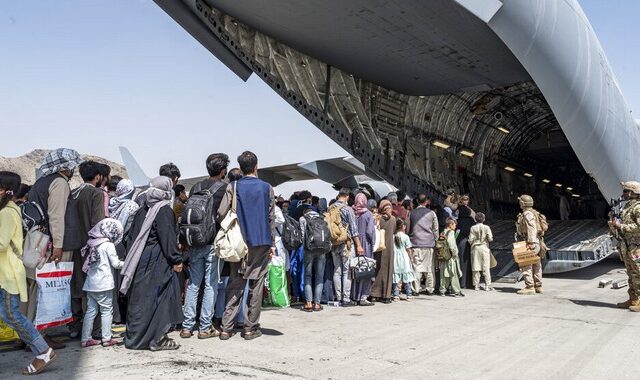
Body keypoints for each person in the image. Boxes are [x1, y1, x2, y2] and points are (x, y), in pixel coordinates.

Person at [0, 171, 57, 375]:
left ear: (5, 191)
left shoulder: (7, 212)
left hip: (7, 275)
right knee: (10, 315)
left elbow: (1, 243)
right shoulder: (10, 209)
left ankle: (43, 351)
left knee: (12, 316)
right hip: (6, 273)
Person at [26, 148, 83, 350]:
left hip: (38, 241)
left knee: (36, 289)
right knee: (47, 290)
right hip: (51, 246)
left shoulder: (41, 181)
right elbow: (56, 216)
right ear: (64, 167)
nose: (73, 170)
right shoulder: (59, 183)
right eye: (71, 166)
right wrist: (58, 246)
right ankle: (39, 337)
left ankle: (29, 335)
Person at [217, 151, 275, 341]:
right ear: (256, 166)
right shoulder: (267, 188)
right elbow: (271, 218)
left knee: (235, 284)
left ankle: (226, 327)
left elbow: (221, 212)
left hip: (238, 242)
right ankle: (250, 328)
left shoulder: (233, 186)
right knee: (256, 285)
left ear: (240, 168)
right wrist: (272, 243)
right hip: (261, 240)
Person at [121, 176, 184, 350]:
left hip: (138, 260)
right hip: (157, 260)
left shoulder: (143, 209)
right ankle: (157, 339)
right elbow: (168, 237)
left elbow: (131, 237)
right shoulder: (164, 210)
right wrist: (176, 259)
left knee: (140, 299)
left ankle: (135, 338)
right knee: (160, 299)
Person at [180, 153, 229, 339]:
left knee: (193, 284)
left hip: (194, 241)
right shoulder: (225, 189)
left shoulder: (196, 187)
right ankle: (205, 327)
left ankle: (187, 327)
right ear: (223, 170)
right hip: (212, 242)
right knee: (210, 285)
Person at [63, 160, 106, 338]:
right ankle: (93, 329)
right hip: (89, 247)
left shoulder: (73, 193)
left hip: (72, 245)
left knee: (75, 285)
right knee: (92, 287)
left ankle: (75, 326)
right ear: (98, 177)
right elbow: (98, 223)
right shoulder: (96, 194)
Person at [80, 219, 125, 348]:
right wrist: (128, 264)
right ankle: (107, 338)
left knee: (91, 311)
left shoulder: (92, 243)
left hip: (91, 283)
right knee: (106, 310)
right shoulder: (108, 245)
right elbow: (116, 264)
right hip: (104, 283)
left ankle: (85, 338)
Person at [107, 178, 139, 324]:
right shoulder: (132, 205)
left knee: (112, 281)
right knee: (123, 282)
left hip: (109, 244)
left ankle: (112, 315)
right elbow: (130, 228)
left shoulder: (112, 203)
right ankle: (121, 315)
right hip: (123, 245)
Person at [329, 188, 363, 307]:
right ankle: (346, 298)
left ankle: (338, 298)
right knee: (347, 271)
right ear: (347, 196)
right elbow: (354, 230)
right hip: (346, 244)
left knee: (336, 271)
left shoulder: (331, 208)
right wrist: (358, 245)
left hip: (334, 243)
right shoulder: (348, 209)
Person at [610, 182, 640, 311]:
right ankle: (633, 299)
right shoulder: (628, 206)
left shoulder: (637, 208)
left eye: (626, 191)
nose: (624, 193)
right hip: (627, 246)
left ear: (633, 192)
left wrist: (621, 226)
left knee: (638, 273)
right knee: (631, 273)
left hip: (636, 246)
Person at [299, 207, 329, 311]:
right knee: (319, 276)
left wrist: (304, 248)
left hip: (309, 249)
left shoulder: (303, 219)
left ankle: (308, 303)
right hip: (322, 249)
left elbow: (302, 236)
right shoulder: (322, 218)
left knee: (308, 275)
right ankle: (317, 304)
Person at [408, 194, 438, 295]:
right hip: (428, 243)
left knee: (416, 267)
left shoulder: (411, 213)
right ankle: (430, 289)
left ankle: (415, 289)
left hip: (415, 243)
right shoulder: (432, 213)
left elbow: (408, 228)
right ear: (426, 202)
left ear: (417, 201)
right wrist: (436, 241)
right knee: (429, 267)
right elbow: (435, 229)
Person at [515, 194, 544, 295]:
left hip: (530, 242)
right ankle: (538, 286)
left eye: (520, 202)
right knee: (537, 264)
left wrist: (530, 242)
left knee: (526, 264)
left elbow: (531, 227)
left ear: (523, 203)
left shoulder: (527, 214)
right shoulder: (534, 212)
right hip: (537, 241)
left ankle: (530, 287)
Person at [352, 193, 376, 306]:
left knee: (355, 270)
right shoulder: (368, 214)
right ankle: (363, 296)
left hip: (354, 243)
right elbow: (370, 232)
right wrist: (373, 243)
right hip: (365, 243)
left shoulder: (353, 212)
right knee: (366, 269)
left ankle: (354, 295)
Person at [370, 200, 396, 303]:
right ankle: (386, 295)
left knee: (378, 270)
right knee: (388, 271)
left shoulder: (378, 218)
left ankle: (374, 294)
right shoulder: (393, 219)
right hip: (389, 248)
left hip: (379, 247)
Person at [468, 212, 494, 291]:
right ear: (484, 219)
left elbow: (470, 239)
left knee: (476, 267)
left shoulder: (473, 228)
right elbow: (490, 239)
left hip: (475, 248)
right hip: (484, 247)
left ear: (475, 219)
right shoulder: (487, 227)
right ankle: (487, 285)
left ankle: (476, 285)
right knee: (486, 267)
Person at [392, 218, 416, 301]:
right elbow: (408, 249)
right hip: (404, 258)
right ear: (403, 227)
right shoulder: (406, 237)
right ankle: (409, 294)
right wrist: (411, 257)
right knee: (407, 276)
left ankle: (396, 295)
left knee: (396, 276)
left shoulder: (393, 236)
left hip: (395, 258)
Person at [439, 218, 463, 297]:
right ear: (450, 225)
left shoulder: (443, 232)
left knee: (443, 274)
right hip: (450, 256)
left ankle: (442, 290)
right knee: (453, 274)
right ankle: (457, 291)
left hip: (443, 256)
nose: (455, 226)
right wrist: (455, 254)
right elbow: (451, 244)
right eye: (454, 224)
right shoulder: (451, 232)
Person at [456, 195, 475, 289]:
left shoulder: (457, 221)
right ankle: (469, 283)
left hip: (459, 242)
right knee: (469, 262)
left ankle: (461, 283)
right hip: (468, 242)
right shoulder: (471, 220)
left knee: (460, 262)